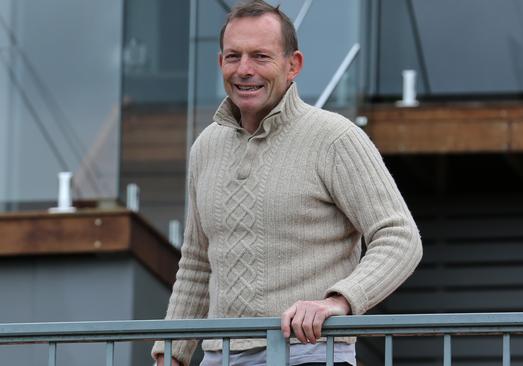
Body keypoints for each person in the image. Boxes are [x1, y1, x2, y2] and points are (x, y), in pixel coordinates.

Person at [152, 1, 422, 365]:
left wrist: (339, 300)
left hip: (309, 352)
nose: (244, 70)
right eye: (233, 56)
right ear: (220, 63)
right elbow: (198, 264)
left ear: (293, 65)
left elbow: (400, 237)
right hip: (218, 357)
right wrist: (171, 353)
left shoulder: (334, 138)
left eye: (260, 57)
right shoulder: (206, 147)